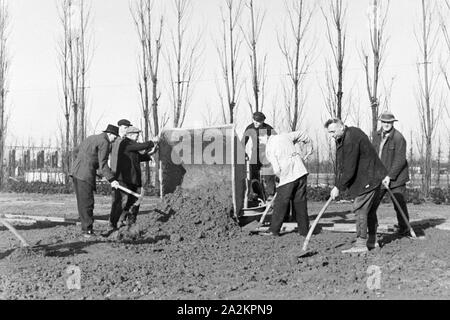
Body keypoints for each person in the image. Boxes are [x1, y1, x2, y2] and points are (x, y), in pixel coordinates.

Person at [325, 118, 387, 253]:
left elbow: (349, 168)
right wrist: (337, 183)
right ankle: (372, 240)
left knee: (360, 209)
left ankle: (360, 244)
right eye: (330, 133)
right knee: (369, 211)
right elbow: (341, 165)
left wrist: (338, 187)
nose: (332, 135)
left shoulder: (350, 139)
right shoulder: (345, 136)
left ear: (341, 127)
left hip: (368, 179)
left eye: (333, 131)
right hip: (373, 177)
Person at [259, 130, 315, 237]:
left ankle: (273, 230)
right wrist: (309, 145)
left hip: (288, 176)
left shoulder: (269, 148)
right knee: (300, 202)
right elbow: (302, 134)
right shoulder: (285, 136)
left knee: (280, 203)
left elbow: (276, 169)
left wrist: (280, 179)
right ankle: (304, 231)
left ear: (265, 138)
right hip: (301, 172)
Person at [105, 126, 158, 234]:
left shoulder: (132, 146)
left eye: (138, 133)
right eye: (135, 133)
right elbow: (140, 146)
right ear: (129, 135)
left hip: (134, 179)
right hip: (124, 179)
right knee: (122, 202)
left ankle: (130, 224)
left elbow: (139, 157)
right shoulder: (126, 143)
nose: (138, 135)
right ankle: (113, 225)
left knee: (135, 202)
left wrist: (151, 153)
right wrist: (152, 141)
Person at [70, 124, 120, 237]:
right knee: (88, 203)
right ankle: (87, 231)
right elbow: (103, 164)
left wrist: (91, 166)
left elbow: (76, 151)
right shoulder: (105, 142)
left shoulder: (92, 137)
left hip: (76, 172)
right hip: (85, 175)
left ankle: (85, 228)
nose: (115, 139)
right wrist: (112, 179)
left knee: (82, 202)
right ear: (110, 134)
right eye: (115, 137)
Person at [372, 111, 411, 237]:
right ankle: (372, 228)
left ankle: (404, 228)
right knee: (372, 202)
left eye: (389, 122)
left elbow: (399, 160)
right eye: (384, 122)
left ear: (393, 123)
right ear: (381, 122)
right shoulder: (376, 135)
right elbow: (373, 155)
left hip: (397, 177)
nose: (386, 124)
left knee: (399, 204)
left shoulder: (399, 138)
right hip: (380, 176)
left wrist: (389, 176)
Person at [243, 111, 276, 200]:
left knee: (268, 173)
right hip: (255, 154)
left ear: (262, 121)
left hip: (265, 154)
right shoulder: (249, 128)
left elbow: (277, 140)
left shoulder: (268, 128)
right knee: (253, 175)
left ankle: (271, 195)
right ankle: (256, 194)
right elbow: (243, 143)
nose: (256, 123)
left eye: (258, 122)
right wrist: (244, 153)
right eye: (254, 121)